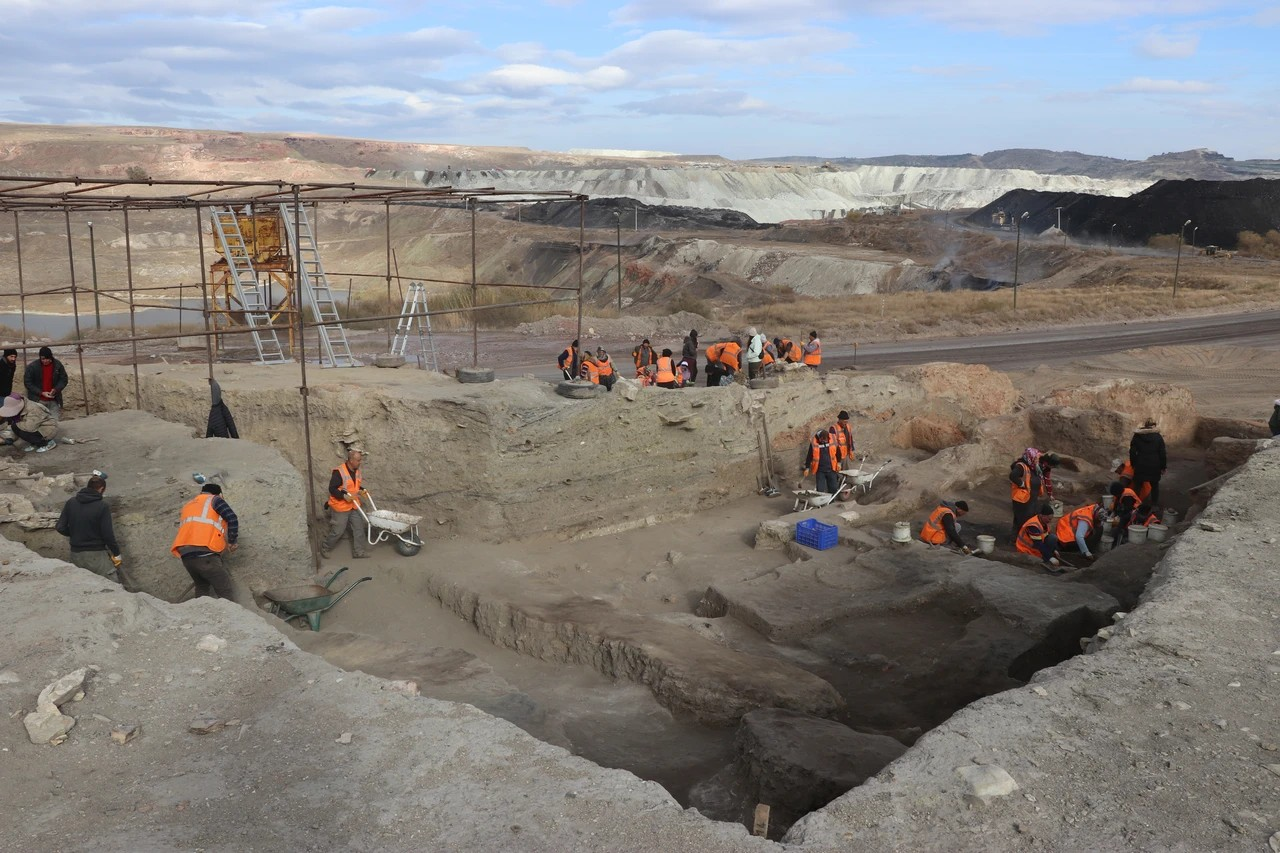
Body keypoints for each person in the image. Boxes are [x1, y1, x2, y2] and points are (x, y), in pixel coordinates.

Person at [170, 482, 239, 600]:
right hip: (205, 553)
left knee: (201, 586)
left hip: (186, 556)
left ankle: (201, 610)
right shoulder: (215, 500)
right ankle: (232, 612)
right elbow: (232, 518)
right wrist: (232, 542)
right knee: (224, 590)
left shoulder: (189, 505)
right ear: (218, 494)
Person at [56, 473, 124, 584]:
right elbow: (107, 535)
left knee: (82, 585)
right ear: (101, 489)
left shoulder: (71, 502)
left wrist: (76, 533)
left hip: (76, 555)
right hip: (96, 555)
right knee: (112, 584)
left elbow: (60, 527)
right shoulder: (102, 506)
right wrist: (116, 554)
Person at [321, 449, 369, 559]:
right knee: (338, 531)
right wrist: (343, 496)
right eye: (358, 460)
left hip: (353, 505)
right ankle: (325, 547)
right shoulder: (339, 472)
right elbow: (332, 489)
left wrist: (361, 490)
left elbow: (354, 485)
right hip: (341, 506)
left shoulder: (356, 471)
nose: (360, 462)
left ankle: (358, 552)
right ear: (351, 460)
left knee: (359, 528)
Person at [1129, 419, 1167, 506]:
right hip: (1155, 464)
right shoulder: (1158, 437)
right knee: (1155, 486)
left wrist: (1133, 464)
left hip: (1140, 463)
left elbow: (1132, 452)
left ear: (1145, 425)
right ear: (1154, 426)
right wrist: (1163, 467)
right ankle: (1154, 505)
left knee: (1138, 486)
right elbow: (1162, 453)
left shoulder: (1137, 436)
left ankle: (1135, 504)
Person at [24, 346, 68, 420]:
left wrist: (56, 389)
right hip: (38, 401)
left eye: (47, 359)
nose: (45, 361)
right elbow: (28, 383)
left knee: (54, 421)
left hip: (54, 400)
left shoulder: (58, 365)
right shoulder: (32, 367)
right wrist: (41, 393)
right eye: (43, 359)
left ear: (51, 357)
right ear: (40, 358)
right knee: (39, 421)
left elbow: (64, 379)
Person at [1016, 503, 1063, 571]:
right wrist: (1050, 557)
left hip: (1036, 547)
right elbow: (1038, 544)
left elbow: (1046, 536)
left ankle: (1045, 556)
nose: (1049, 521)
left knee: (1052, 538)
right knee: (1051, 539)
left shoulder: (1042, 522)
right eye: (1049, 519)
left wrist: (1054, 550)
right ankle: (1045, 558)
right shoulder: (1033, 526)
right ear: (1041, 515)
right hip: (1026, 549)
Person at [1009, 447, 1043, 540]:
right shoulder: (1021, 466)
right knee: (1022, 520)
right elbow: (1013, 476)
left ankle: (1021, 539)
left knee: (1028, 519)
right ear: (1030, 457)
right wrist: (1021, 484)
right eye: (1036, 458)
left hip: (1031, 499)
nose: (1037, 460)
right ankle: (1018, 540)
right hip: (1022, 500)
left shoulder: (1035, 467)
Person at [804, 429, 840, 495]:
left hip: (832, 469)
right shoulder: (814, 442)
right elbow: (809, 456)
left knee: (833, 488)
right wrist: (807, 468)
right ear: (819, 438)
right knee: (820, 490)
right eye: (822, 440)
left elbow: (838, 452)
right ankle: (822, 501)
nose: (824, 442)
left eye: (826, 440)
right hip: (820, 470)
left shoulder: (833, 438)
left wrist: (839, 462)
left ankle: (831, 500)